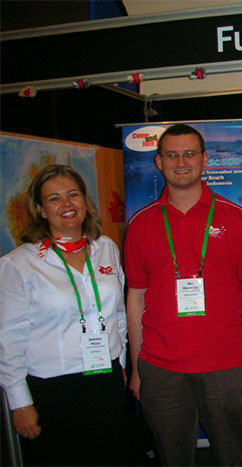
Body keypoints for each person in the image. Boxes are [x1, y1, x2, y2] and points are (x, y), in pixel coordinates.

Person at [124, 124, 242, 466]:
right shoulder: (141, 224)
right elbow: (135, 298)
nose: (181, 162)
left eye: (189, 154)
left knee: (232, 457)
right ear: (159, 162)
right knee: (172, 458)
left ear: (204, 160)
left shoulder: (235, 218)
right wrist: (137, 365)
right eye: (172, 155)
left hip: (225, 366)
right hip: (160, 368)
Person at [0, 164, 128, 466]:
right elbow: (8, 338)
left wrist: (120, 363)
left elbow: (118, 315)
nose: (66, 204)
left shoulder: (106, 248)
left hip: (106, 379)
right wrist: (20, 402)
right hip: (54, 389)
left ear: (85, 199)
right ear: (40, 210)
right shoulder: (19, 264)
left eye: (73, 195)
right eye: (54, 199)